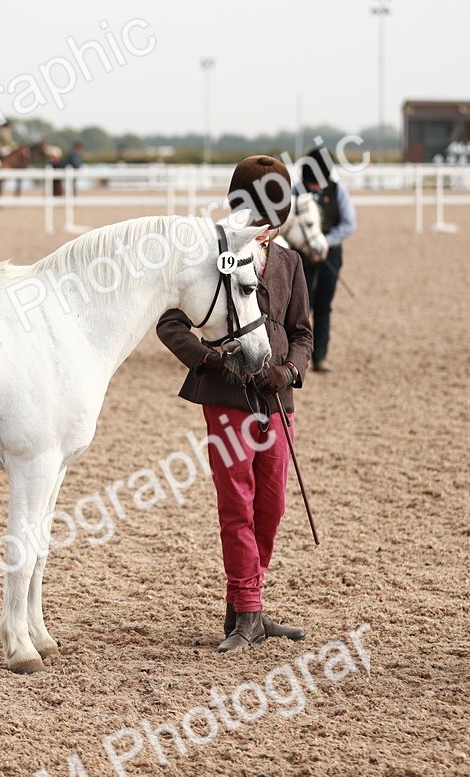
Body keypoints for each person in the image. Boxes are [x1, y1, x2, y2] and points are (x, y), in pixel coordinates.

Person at [157, 155, 313, 653]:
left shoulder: (290, 263)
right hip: (226, 399)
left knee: (273, 505)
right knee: (237, 505)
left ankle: (245, 602)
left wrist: (288, 371)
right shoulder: (210, 256)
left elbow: (303, 334)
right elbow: (170, 322)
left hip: (277, 399)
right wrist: (208, 360)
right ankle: (248, 610)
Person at [297, 146, 356, 373]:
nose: (313, 187)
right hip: (302, 257)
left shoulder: (338, 190)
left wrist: (325, 242)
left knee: (323, 307)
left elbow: (348, 224)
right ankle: (298, 358)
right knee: (301, 308)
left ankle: (320, 356)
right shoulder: (296, 191)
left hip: (329, 256)